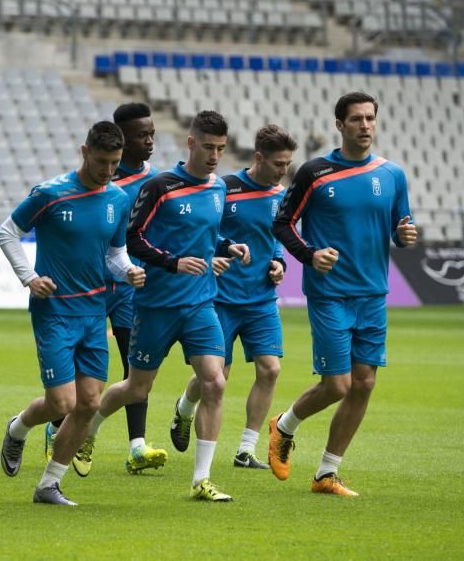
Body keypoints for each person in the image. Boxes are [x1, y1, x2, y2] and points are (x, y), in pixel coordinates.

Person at [81, 111, 250, 502]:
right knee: (136, 387)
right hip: (156, 305)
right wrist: (172, 262)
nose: (214, 156)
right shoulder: (160, 186)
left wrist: (229, 246)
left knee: (215, 380)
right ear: (191, 143)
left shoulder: (218, 188)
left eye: (221, 149)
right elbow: (131, 238)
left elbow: (210, 235)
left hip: (201, 303)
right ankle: (88, 431)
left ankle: (201, 479)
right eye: (208, 147)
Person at [269, 92, 417, 497]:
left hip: (373, 293)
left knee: (364, 384)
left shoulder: (392, 175)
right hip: (330, 292)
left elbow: (400, 227)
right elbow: (282, 224)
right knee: (337, 385)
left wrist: (404, 236)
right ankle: (284, 426)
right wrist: (309, 255)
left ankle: (326, 474)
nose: (365, 126)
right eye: (356, 119)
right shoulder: (315, 172)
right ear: (340, 125)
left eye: (370, 118)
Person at [0, 121, 145, 507]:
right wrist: (29, 277)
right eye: (101, 161)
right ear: (84, 151)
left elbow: (114, 255)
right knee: (61, 404)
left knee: (90, 404)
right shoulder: (50, 193)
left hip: (94, 313)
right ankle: (18, 428)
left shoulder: (117, 198)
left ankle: (49, 484)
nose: (108, 170)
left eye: (115, 163)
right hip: (55, 312)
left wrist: (127, 271)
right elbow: (7, 232)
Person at [45, 103, 168, 475]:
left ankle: (136, 446)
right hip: (90, 288)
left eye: (152, 134)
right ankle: (58, 426)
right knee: (84, 377)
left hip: (130, 286)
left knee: (136, 363)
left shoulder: (159, 180)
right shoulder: (101, 185)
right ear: (121, 139)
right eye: (140, 136)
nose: (149, 141)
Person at [171, 125, 297, 470]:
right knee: (215, 378)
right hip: (220, 298)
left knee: (270, 369)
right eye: (278, 164)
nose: (283, 171)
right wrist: (219, 253)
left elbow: (274, 237)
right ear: (259, 158)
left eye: (287, 164)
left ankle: (246, 449)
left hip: (260, 299)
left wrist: (278, 262)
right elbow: (204, 230)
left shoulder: (279, 193)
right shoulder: (223, 188)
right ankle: (184, 406)